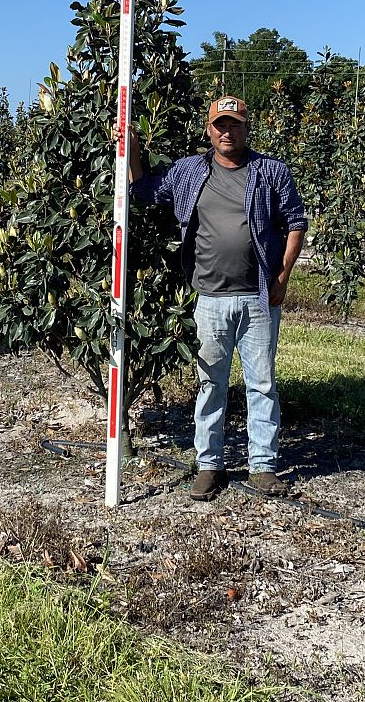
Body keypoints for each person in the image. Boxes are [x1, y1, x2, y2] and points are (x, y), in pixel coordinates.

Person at [124, 95, 307, 501]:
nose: (228, 131)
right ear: (209, 129)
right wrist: (133, 149)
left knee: (262, 384)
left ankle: (264, 466)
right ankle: (209, 465)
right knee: (211, 385)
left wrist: (282, 276)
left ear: (246, 129)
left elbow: (296, 223)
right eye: (220, 124)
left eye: (235, 124)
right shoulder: (191, 171)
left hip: (259, 297)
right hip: (209, 298)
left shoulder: (271, 172)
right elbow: (145, 192)